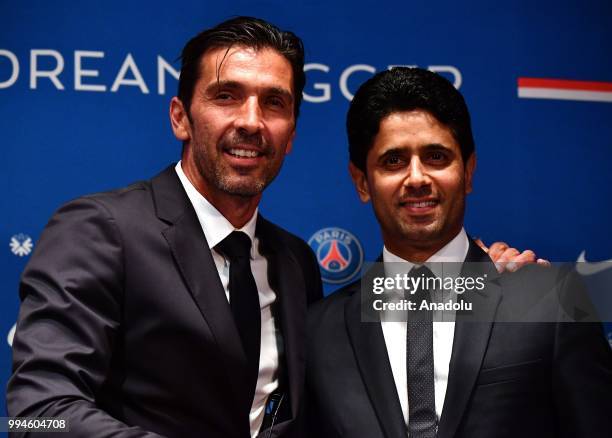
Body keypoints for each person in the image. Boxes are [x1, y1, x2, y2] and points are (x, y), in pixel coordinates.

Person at [7, 16, 543, 438]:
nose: (250, 120)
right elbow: (37, 416)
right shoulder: (101, 230)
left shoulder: (294, 262)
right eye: (226, 96)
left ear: (290, 134)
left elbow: (286, 409)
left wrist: (477, 280)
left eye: (275, 103)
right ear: (180, 116)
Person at [306, 67, 612, 437]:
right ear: (362, 182)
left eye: (436, 157)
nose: (417, 178)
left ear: (468, 171)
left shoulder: (552, 299)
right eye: (393, 161)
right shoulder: (318, 332)